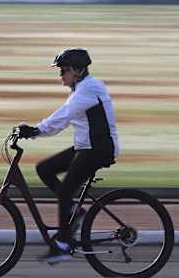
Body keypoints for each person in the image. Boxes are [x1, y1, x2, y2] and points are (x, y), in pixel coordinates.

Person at [18, 48, 119, 264]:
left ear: (77, 70)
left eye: (63, 70)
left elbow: (64, 116)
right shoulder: (80, 89)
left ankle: (63, 243)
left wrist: (35, 130)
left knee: (65, 189)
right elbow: (63, 119)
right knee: (44, 169)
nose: (60, 75)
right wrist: (36, 131)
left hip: (97, 149)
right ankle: (76, 210)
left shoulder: (89, 88)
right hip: (85, 146)